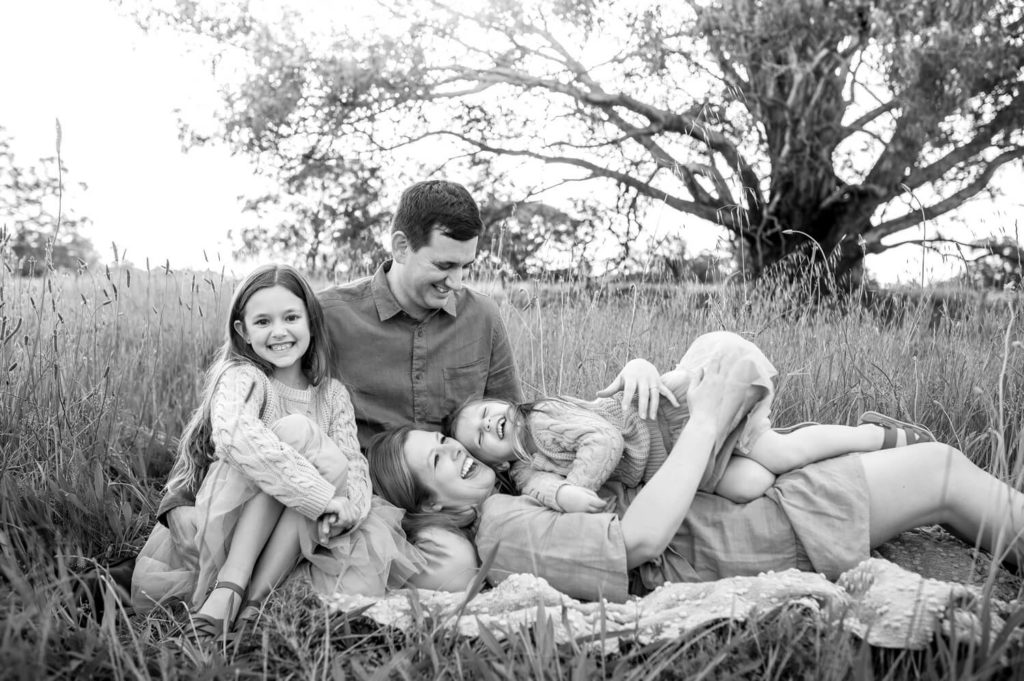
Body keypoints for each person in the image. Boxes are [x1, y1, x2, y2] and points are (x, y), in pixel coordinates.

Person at [368, 347, 1024, 603]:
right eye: (438, 460)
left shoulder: (513, 484)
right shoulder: (504, 527)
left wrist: (643, 373)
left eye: (444, 441)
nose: (457, 452)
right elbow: (636, 543)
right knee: (939, 469)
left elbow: (613, 441)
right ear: (436, 507)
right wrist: (707, 420)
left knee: (944, 481)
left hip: (739, 508)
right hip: (749, 531)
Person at [131, 264, 422, 639]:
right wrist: (320, 498)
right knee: (296, 433)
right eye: (263, 321)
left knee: (331, 462)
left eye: (290, 317)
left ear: (311, 322)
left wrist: (351, 509)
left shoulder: (331, 395)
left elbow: (352, 463)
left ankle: (255, 599)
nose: (279, 331)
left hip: (295, 541)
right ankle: (231, 585)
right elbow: (237, 436)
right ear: (243, 332)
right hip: (230, 527)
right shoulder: (244, 378)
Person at [445, 331, 934, 510]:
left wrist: (579, 487)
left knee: (778, 453)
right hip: (678, 459)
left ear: (505, 405)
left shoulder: (542, 420)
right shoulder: (525, 470)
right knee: (752, 484)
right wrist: (564, 496)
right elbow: (541, 490)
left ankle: (879, 434)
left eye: (486, 414)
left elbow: (605, 440)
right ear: (488, 459)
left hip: (673, 417)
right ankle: (820, 450)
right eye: (479, 438)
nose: (488, 427)